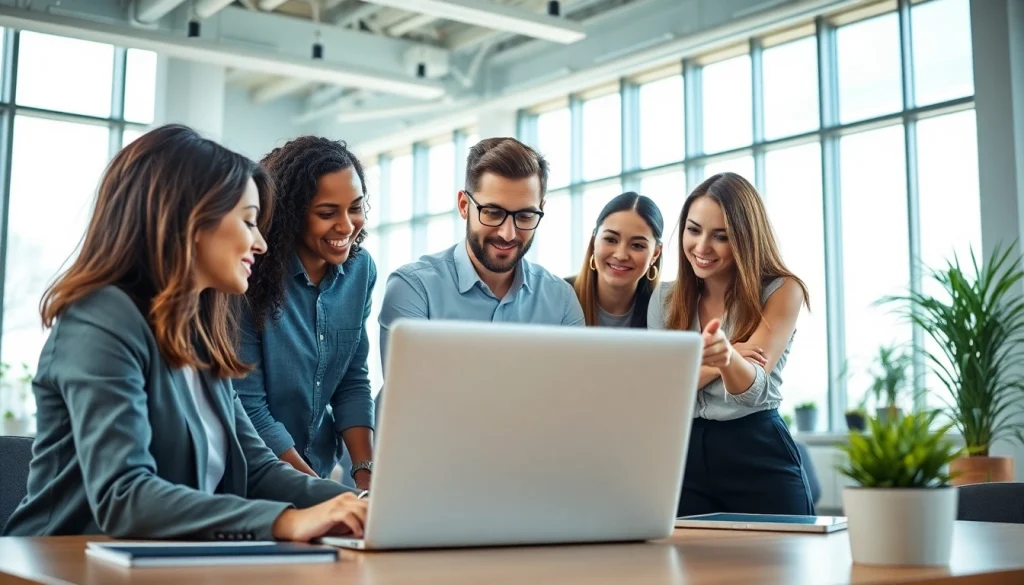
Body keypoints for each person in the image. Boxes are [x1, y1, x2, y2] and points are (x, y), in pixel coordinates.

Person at [3, 125, 367, 542]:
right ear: (192, 222)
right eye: (249, 222)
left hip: (159, 564)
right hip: (62, 566)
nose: (261, 244)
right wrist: (284, 522)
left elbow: (259, 470)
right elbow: (124, 496)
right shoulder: (100, 319)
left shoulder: (197, 334)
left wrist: (358, 504)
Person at [648, 172, 814, 517]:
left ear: (745, 239)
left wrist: (721, 362)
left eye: (720, 237)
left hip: (757, 448)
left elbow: (750, 389)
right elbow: (662, 391)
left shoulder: (783, 290)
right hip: (683, 454)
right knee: (687, 569)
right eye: (693, 230)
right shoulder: (664, 298)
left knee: (781, 567)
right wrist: (725, 359)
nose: (702, 247)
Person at [236, 136, 375, 491]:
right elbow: (250, 408)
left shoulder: (361, 271)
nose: (346, 226)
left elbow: (352, 381)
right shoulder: (246, 276)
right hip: (253, 481)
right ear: (291, 213)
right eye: (327, 213)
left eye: (355, 207)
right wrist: (322, 496)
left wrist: (366, 479)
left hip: (319, 474)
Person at [377, 137, 585, 372]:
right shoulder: (414, 288)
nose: (508, 233)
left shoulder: (561, 300)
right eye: (493, 212)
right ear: (464, 205)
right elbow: (412, 395)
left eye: (526, 216)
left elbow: (571, 397)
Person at [567, 191, 663, 327]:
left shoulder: (665, 310)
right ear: (594, 241)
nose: (621, 255)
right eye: (611, 239)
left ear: (655, 253)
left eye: (637, 245)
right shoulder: (560, 297)